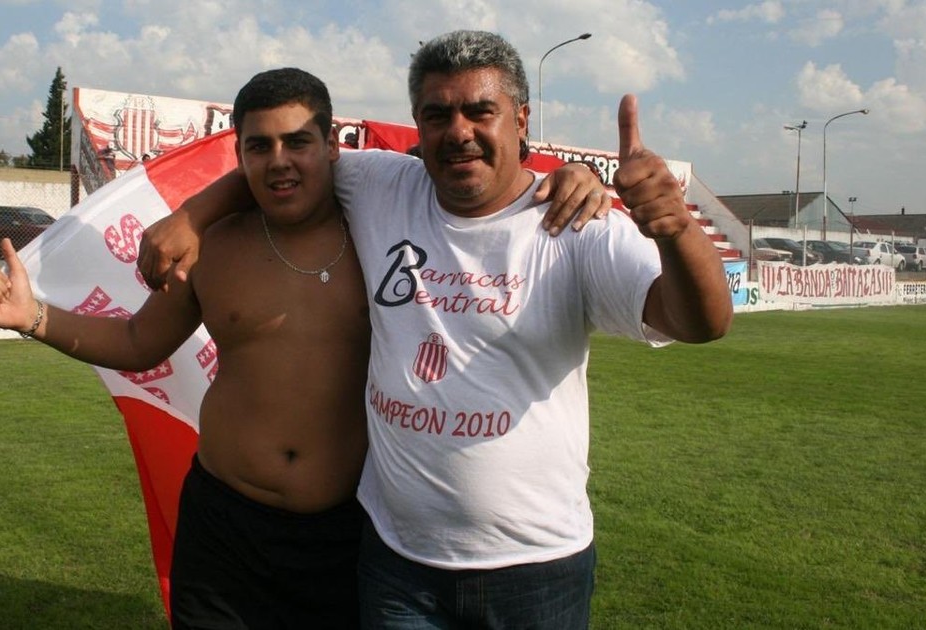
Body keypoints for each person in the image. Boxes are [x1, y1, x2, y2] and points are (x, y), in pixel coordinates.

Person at [138, 30, 732, 629]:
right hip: (398, 562)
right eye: (437, 114)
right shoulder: (382, 185)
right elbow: (284, 164)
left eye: (480, 111)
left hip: (535, 567)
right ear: (417, 126)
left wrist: (677, 229)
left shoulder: (575, 222)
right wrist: (192, 216)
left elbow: (700, 322)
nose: (459, 130)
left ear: (521, 120)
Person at [0, 68, 373, 629]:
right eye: (259, 146)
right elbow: (139, 341)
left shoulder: (383, 234)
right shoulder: (213, 246)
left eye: (298, 141)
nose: (279, 161)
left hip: (348, 533)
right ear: (239, 153)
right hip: (225, 533)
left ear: (332, 144)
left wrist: (194, 210)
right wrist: (34, 317)